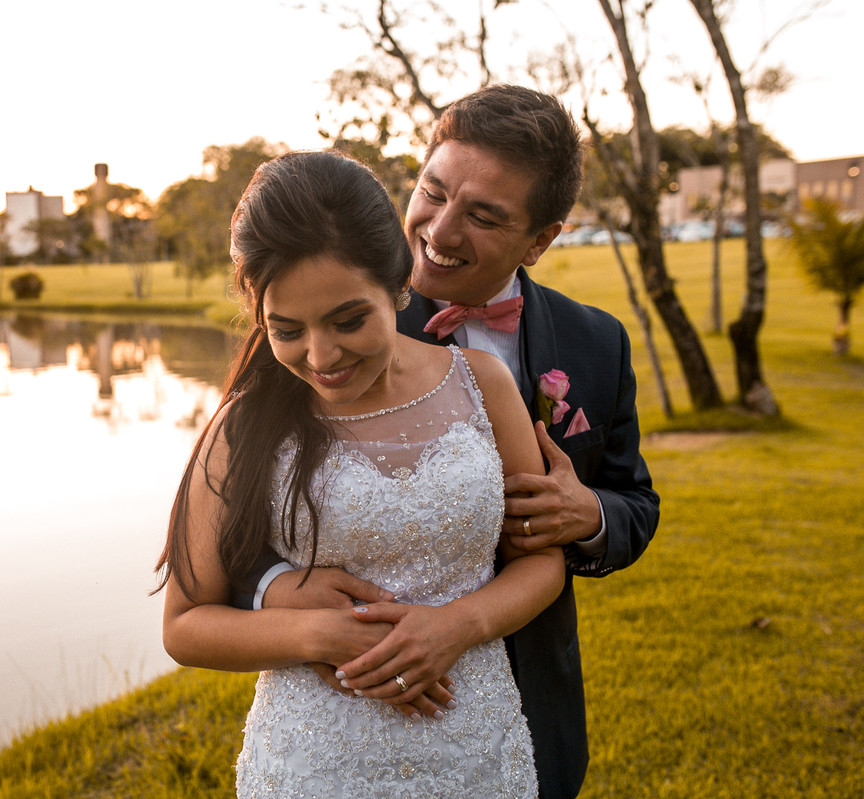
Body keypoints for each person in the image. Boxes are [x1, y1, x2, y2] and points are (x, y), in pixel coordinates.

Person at [239, 85, 661, 799]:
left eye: (483, 215)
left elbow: (635, 502)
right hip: (350, 707)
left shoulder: (597, 343)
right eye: (433, 191)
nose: (439, 227)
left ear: (541, 239)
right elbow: (232, 519)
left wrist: (588, 513)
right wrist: (276, 586)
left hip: (522, 693)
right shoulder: (328, 327)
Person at [157, 149, 565, 797]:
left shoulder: (483, 385)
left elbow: (542, 562)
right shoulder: (244, 423)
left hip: (474, 749)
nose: (322, 356)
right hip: (315, 763)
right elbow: (183, 623)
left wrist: (462, 623)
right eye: (287, 329)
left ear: (398, 284)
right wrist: (320, 633)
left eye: (350, 319)